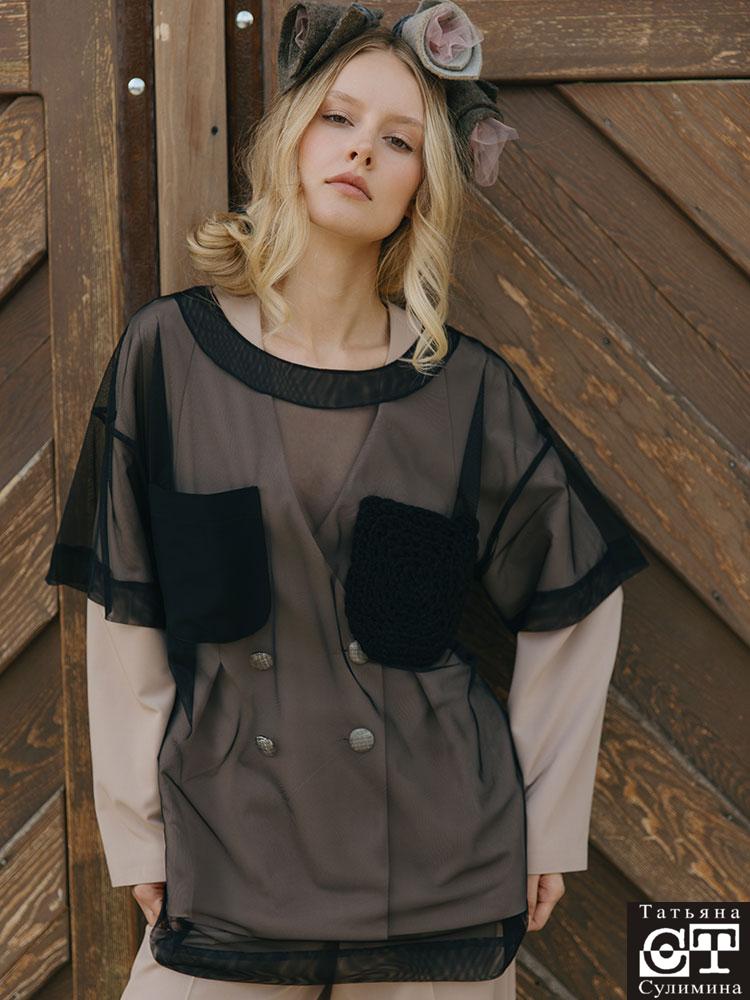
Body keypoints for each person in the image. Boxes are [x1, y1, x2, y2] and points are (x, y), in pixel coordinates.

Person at [45, 2, 649, 997]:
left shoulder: (466, 390)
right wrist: (137, 833)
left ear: (423, 187)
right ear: (291, 138)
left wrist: (547, 821)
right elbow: (126, 611)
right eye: (339, 117)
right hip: (226, 849)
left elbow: (578, 591)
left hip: (439, 862)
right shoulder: (168, 355)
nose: (362, 149)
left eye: (399, 140)